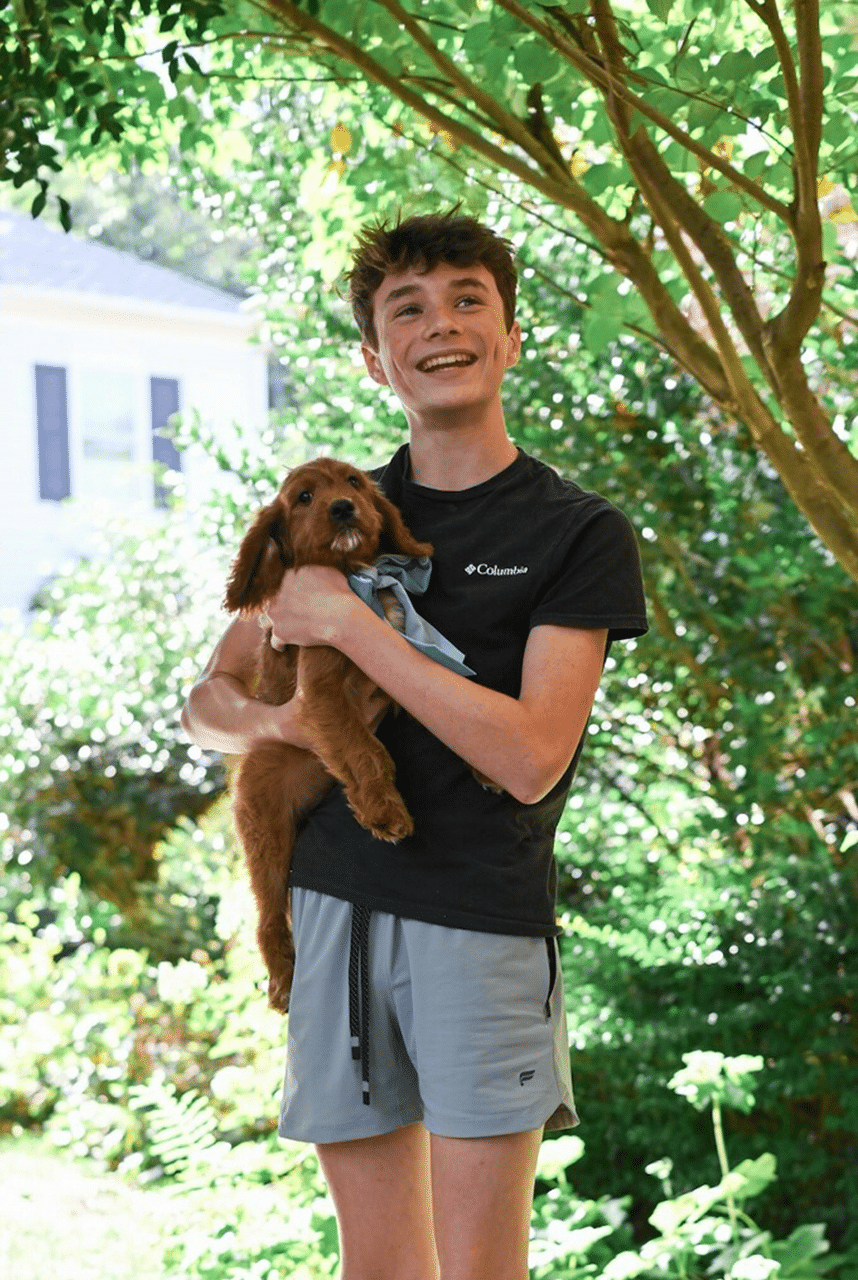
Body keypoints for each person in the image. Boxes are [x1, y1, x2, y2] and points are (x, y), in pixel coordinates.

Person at [182, 210, 648, 1280]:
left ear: (510, 335)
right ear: (373, 354)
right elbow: (204, 701)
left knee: (483, 1268)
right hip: (332, 910)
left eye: (466, 300)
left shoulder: (572, 532)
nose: (439, 325)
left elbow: (531, 753)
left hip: (478, 918)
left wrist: (349, 625)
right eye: (408, 308)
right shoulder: (326, 514)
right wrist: (277, 722)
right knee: (378, 1264)